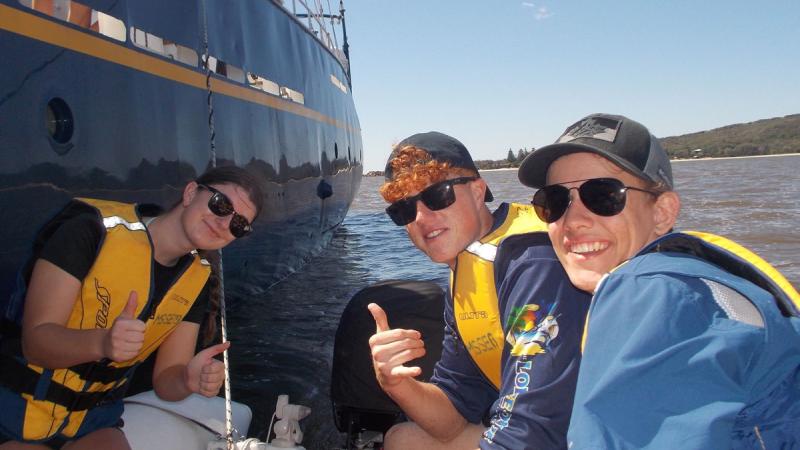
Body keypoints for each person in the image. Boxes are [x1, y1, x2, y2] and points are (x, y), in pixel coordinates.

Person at [518, 113, 800, 449]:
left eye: (603, 195)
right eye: (554, 202)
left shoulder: (651, 291)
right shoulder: (701, 282)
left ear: (662, 212)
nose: (573, 220)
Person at [0, 165, 264, 450]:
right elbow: (35, 343)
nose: (224, 223)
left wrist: (188, 379)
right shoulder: (90, 232)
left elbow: (166, 382)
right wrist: (102, 342)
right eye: (220, 204)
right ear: (190, 193)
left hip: (93, 421)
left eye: (239, 225)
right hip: (15, 411)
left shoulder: (196, 281)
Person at [368, 131, 591, 449]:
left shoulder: (533, 259)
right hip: (551, 431)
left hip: (595, 433)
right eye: (403, 210)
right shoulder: (469, 268)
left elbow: (533, 430)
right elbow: (452, 417)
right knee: (403, 439)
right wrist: (395, 382)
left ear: (477, 191)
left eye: (437, 195)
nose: (420, 217)